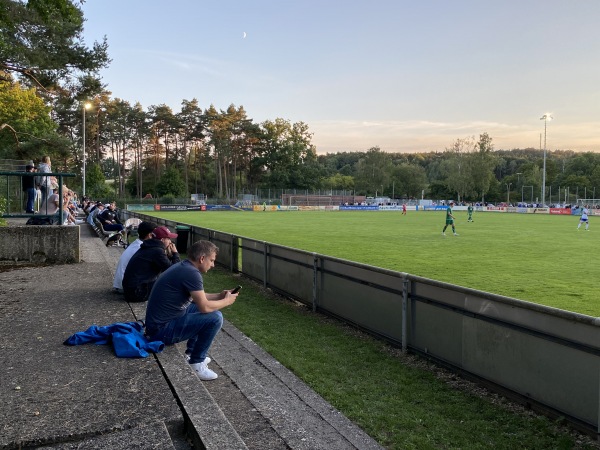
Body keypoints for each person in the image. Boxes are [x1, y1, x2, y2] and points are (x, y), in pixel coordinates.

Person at [144, 240, 239, 381]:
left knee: (199, 310)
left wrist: (220, 295)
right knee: (215, 317)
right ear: (202, 258)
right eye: (212, 260)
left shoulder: (184, 267)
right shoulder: (191, 273)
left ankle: (192, 354)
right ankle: (197, 363)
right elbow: (204, 306)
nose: (213, 265)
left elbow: (198, 297)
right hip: (161, 331)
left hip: (159, 324)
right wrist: (226, 301)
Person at [122, 226, 180, 302]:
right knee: (171, 285)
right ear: (162, 240)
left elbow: (165, 266)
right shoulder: (157, 251)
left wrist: (169, 255)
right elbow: (175, 271)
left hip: (131, 290)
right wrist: (175, 254)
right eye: (168, 239)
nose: (170, 242)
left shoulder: (149, 246)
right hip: (138, 293)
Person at [112, 221, 157, 293]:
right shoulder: (142, 247)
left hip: (121, 284)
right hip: (126, 287)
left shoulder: (137, 243)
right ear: (150, 235)